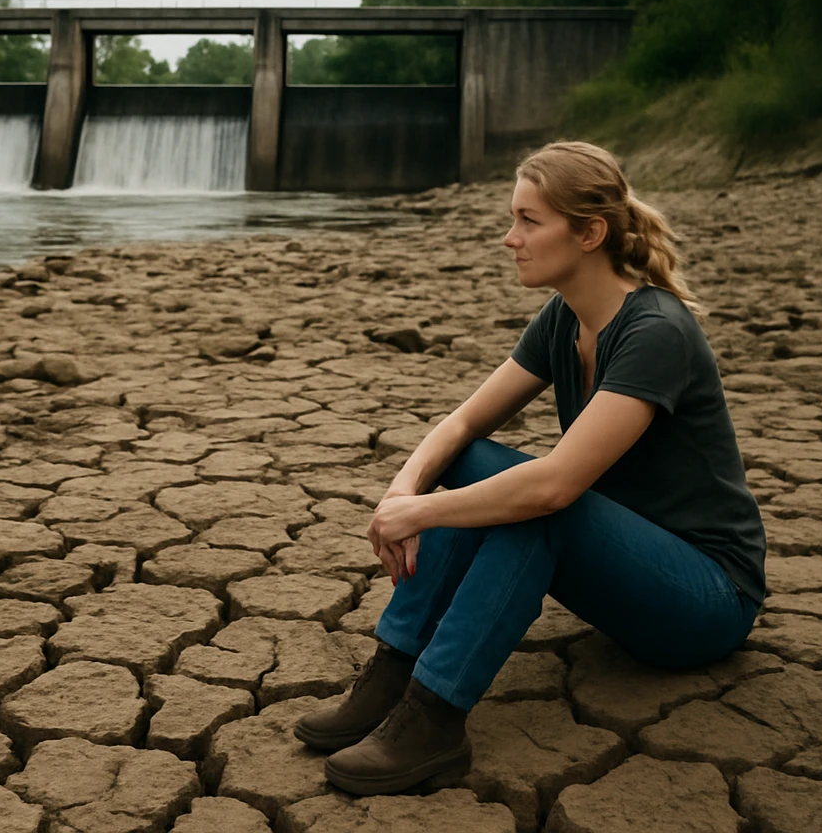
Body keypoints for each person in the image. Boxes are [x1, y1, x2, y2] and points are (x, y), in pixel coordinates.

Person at [294, 141, 766, 796]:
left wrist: (421, 513)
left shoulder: (657, 330)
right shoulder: (565, 319)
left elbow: (554, 487)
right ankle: (393, 674)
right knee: (470, 464)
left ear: (589, 233)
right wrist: (399, 494)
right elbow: (460, 426)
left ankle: (433, 722)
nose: (508, 238)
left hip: (707, 599)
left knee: (542, 505)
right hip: (627, 563)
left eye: (527, 220)